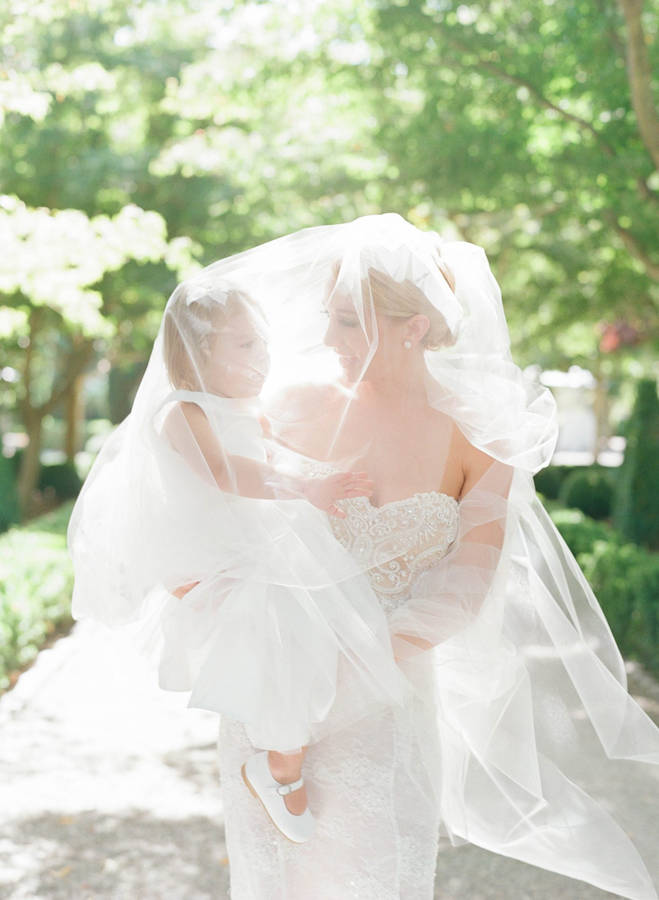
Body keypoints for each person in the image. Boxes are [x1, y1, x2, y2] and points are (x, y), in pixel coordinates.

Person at [69, 213, 659, 900]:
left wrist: (356, 656)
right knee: (276, 878)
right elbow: (204, 492)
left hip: (384, 693)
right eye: (328, 317)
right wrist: (195, 579)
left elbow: (465, 590)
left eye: (347, 321)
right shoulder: (285, 404)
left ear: (413, 325)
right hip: (273, 692)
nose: (323, 338)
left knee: (376, 874)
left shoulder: (481, 441)